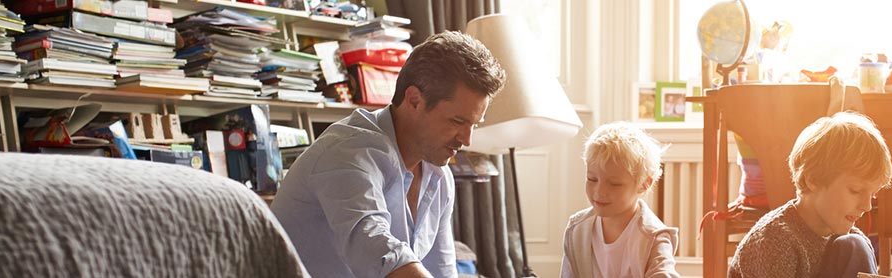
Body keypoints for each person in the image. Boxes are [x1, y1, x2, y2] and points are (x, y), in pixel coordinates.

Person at [269, 31, 505, 278]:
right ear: (414, 100)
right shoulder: (348, 154)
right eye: (457, 121)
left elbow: (441, 270)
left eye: (474, 125)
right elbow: (379, 254)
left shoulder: (438, 176)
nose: (466, 140)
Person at [727, 111, 892, 278]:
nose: (867, 206)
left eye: (872, 195)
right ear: (812, 180)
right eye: (855, 191)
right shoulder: (773, 241)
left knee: (855, 245)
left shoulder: (851, 240)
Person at [560, 122, 681, 278]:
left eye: (614, 184)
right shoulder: (577, 230)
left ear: (644, 184)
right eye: (592, 179)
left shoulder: (653, 238)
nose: (599, 191)